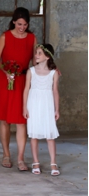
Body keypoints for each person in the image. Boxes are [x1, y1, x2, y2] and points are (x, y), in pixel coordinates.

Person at [0, 7, 37, 172]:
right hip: (6, 80)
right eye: (19, 24)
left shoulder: (31, 38)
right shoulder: (5, 36)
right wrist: (7, 71)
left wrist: (48, 71)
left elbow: (36, 61)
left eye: (25, 24)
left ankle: (21, 158)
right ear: (14, 22)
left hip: (23, 81)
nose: (22, 27)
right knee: (5, 120)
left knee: (22, 121)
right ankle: (6, 154)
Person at [23, 44, 60, 176]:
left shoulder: (53, 73)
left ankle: (53, 163)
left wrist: (57, 109)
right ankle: (35, 162)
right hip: (33, 104)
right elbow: (26, 90)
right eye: (36, 53)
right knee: (34, 135)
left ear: (47, 56)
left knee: (50, 134)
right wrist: (24, 108)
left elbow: (55, 91)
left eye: (39, 53)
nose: (36, 55)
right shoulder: (31, 71)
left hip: (47, 104)